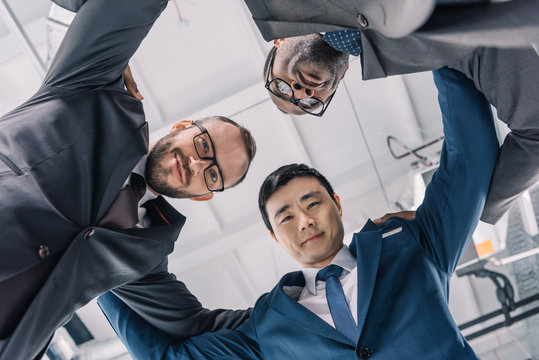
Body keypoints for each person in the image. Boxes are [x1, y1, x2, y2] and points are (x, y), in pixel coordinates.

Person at [98, 67, 500, 359]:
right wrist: (96, 265)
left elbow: (469, 163)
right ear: (275, 237)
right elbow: (170, 355)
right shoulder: (268, 325)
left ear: (337, 204)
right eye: (285, 217)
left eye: (312, 203)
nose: (304, 221)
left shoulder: (411, 245)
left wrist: (433, 50)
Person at [0, 0, 256, 358]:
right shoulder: (93, 91)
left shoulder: (145, 255)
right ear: (183, 126)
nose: (197, 163)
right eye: (203, 144)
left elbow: (197, 326)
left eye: (212, 174)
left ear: (203, 196)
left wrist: (313, 302)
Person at [242, 0, 539, 225]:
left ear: (278, 41)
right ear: (340, 79)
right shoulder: (434, 55)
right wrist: (460, 217)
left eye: (281, 88)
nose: (301, 93)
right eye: (309, 103)